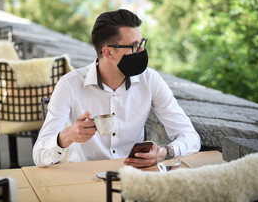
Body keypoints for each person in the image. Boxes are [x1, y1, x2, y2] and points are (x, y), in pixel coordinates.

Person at [33, 9, 201, 168]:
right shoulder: (69, 85)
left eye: (141, 43)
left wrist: (163, 153)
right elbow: (39, 156)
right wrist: (67, 136)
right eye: (134, 46)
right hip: (83, 178)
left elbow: (191, 138)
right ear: (108, 53)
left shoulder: (150, 80)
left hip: (134, 177)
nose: (142, 50)